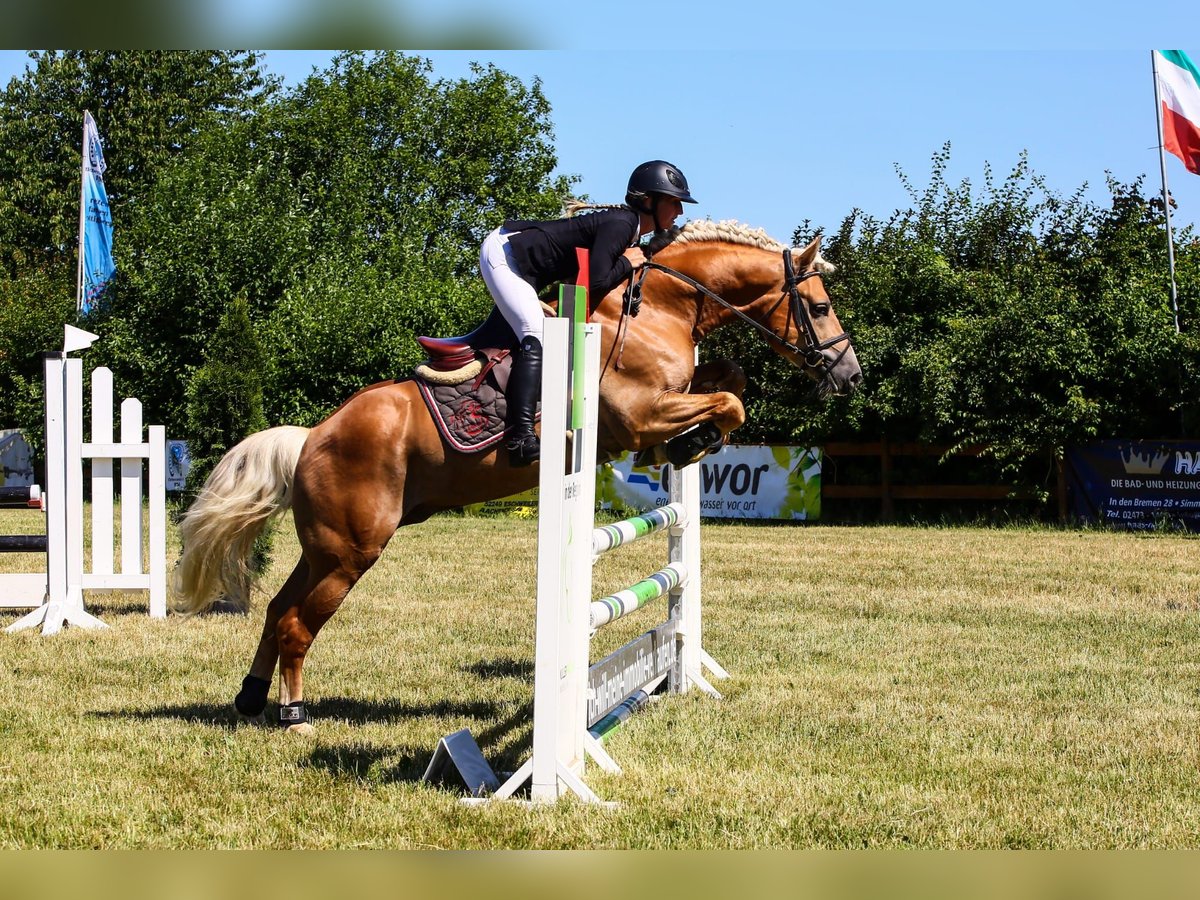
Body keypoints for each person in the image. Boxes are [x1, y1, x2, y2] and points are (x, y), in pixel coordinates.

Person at [480, 160, 698, 467]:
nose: (680, 211)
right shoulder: (622, 225)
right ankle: (519, 437)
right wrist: (628, 262)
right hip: (505, 255)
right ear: (649, 201)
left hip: (529, 266)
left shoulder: (629, 230)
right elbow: (595, 282)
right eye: (674, 202)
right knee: (537, 335)